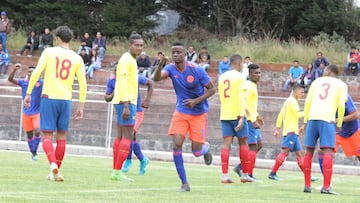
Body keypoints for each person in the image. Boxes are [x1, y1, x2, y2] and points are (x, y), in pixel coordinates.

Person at [24, 25, 87, 182]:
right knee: (62, 137)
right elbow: (83, 83)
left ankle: (52, 164)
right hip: (66, 100)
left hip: (49, 97)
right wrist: (81, 105)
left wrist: (29, 93)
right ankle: (55, 172)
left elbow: (37, 72)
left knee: (46, 135)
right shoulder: (77, 58)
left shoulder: (49, 52)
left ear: (57, 38)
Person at [153, 41, 216, 192]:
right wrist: (160, 65)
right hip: (181, 111)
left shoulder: (196, 70)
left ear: (185, 54)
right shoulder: (170, 68)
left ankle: (205, 150)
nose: (175, 55)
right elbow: (156, 78)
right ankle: (184, 183)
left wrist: (195, 101)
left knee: (196, 152)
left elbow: (212, 90)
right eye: (173, 52)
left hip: (199, 113)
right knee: (177, 143)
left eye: (178, 52)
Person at [302, 64, 347, 194]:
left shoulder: (316, 82)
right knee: (328, 151)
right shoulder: (341, 85)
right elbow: (341, 105)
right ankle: (326, 186)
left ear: (327, 71)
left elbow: (307, 103)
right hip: (327, 119)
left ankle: (307, 185)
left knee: (309, 151)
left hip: (312, 118)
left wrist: (305, 121)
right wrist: (339, 123)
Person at [105, 71, 153, 175]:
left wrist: (147, 99)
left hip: (137, 111)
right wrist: (114, 93)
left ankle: (128, 160)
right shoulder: (112, 80)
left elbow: (150, 83)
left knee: (130, 135)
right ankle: (143, 159)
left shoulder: (133, 76)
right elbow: (107, 98)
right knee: (130, 137)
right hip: (122, 112)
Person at [110, 32, 143, 182]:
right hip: (126, 102)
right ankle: (117, 171)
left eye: (141, 45)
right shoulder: (126, 60)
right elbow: (122, 82)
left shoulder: (130, 59)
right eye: (137, 45)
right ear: (130, 45)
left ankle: (115, 171)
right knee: (127, 137)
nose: (139, 48)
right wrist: (126, 105)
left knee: (120, 136)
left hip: (124, 101)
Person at [268, 84, 319, 181]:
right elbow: (297, 114)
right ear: (295, 91)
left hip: (292, 132)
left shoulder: (288, 101)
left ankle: (308, 176)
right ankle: (272, 173)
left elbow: (280, 115)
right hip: (291, 132)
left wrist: (278, 128)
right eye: (301, 92)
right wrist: (309, 112)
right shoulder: (292, 102)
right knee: (285, 152)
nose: (302, 94)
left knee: (300, 154)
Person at [218, 54, 255, 184]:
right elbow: (242, 98)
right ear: (239, 64)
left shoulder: (222, 77)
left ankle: (224, 175)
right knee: (243, 143)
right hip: (237, 114)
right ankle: (244, 175)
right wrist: (241, 116)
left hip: (225, 114)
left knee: (226, 144)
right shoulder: (241, 77)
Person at [234, 64, 264, 180]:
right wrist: (252, 119)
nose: (258, 75)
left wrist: (257, 116)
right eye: (256, 73)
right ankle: (249, 174)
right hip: (248, 119)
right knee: (253, 146)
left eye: (259, 73)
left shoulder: (252, 85)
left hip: (252, 117)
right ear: (250, 74)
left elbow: (250, 104)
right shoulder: (249, 85)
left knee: (259, 144)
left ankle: (242, 166)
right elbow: (243, 102)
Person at [8, 64, 43, 160]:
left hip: (36, 113)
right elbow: (10, 79)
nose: (30, 73)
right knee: (29, 134)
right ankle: (33, 152)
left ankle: (35, 152)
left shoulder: (40, 83)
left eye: (32, 71)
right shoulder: (24, 82)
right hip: (26, 113)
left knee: (37, 130)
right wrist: (14, 70)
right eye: (29, 71)